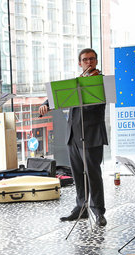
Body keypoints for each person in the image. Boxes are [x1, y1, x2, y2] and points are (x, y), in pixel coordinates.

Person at [39, 48, 108, 226]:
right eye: (85, 60)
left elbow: (96, 107)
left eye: (92, 59)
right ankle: (81, 208)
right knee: (78, 174)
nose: (89, 62)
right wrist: (46, 104)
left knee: (93, 174)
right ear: (80, 63)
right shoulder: (75, 83)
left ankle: (99, 211)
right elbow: (59, 96)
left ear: (97, 61)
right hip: (73, 135)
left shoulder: (101, 82)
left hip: (92, 135)